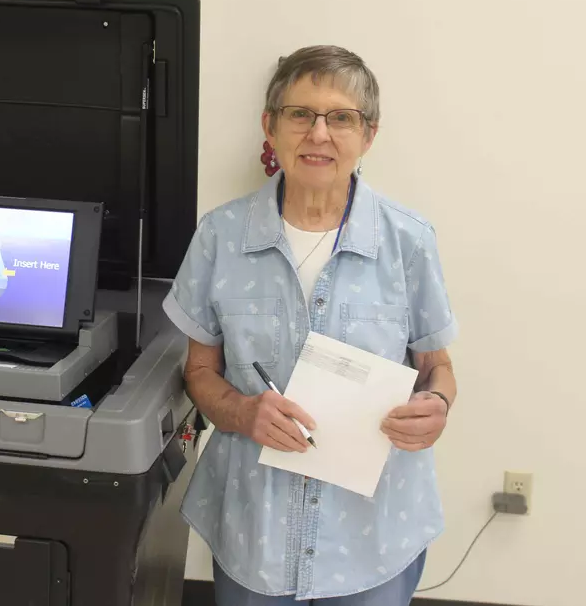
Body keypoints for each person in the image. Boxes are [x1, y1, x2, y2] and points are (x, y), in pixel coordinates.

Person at [162, 45, 459, 605]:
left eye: (341, 117)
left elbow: (437, 367)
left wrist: (437, 406)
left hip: (373, 532)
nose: (319, 134)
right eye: (301, 114)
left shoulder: (408, 242)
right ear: (270, 127)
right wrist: (241, 411)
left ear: (367, 135)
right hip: (256, 529)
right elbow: (198, 371)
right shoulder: (221, 237)